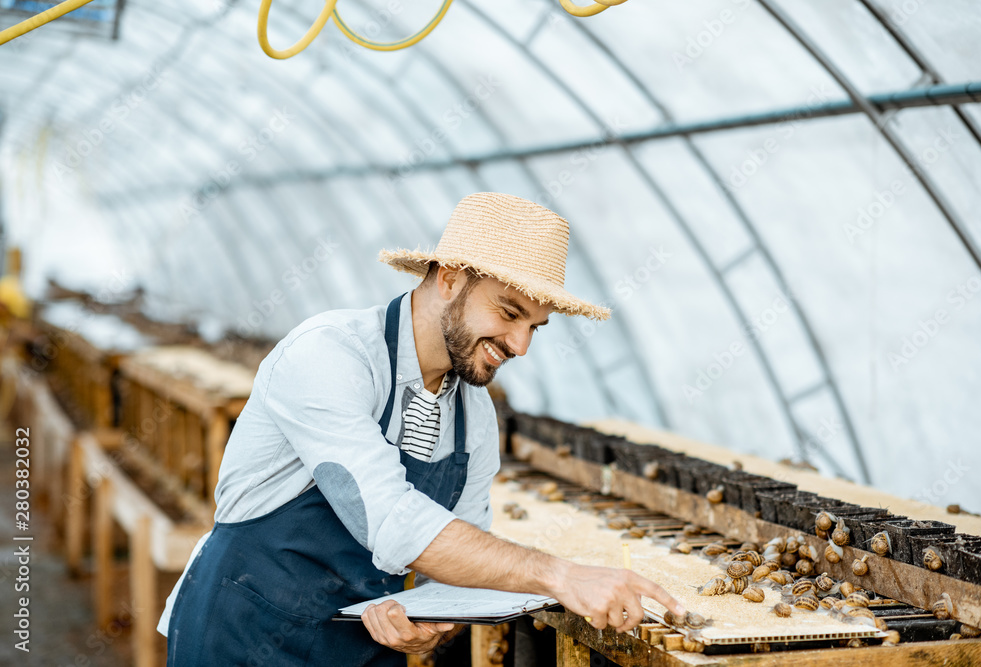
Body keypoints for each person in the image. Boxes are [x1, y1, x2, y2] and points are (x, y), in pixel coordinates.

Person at [158, 192, 684, 665]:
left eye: (534, 328)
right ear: (450, 277)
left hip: (362, 650)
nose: (520, 346)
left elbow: (453, 563)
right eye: (508, 312)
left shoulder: (473, 414)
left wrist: (429, 625)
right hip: (245, 637)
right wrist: (562, 575)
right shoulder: (330, 355)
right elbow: (390, 518)